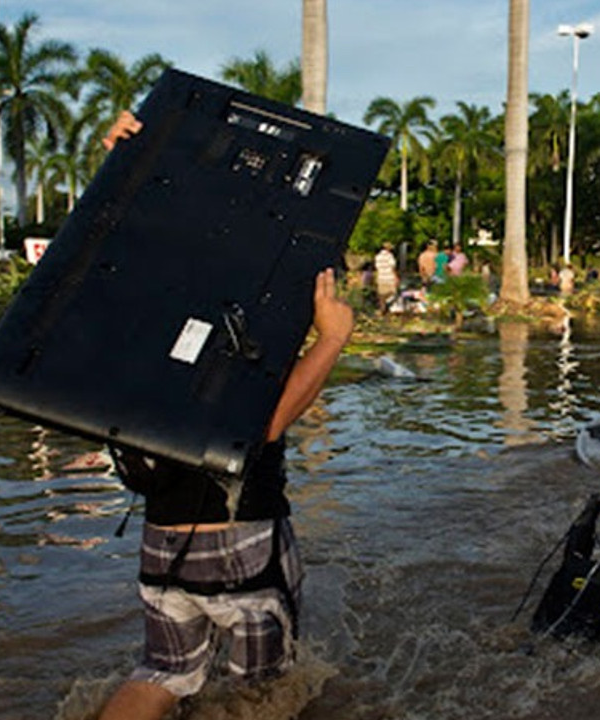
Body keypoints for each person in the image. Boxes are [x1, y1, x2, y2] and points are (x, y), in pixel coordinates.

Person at [96, 112, 355, 720]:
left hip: (163, 543)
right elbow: (256, 424)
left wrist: (123, 163)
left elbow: (109, 238)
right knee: (262, 694)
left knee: (163, 674)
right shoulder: (252, 300)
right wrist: (331, 341)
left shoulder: (150, 289)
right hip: (243, 540)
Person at [374, 242, 399, 310]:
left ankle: (382, 308)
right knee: (392, 293)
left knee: (382, 294)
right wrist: (396, 277)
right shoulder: (390, 256)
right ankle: (389, 307)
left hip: (381, 277)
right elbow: (392, 267)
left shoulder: (377, 257)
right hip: (389, 277)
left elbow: (377, 267)